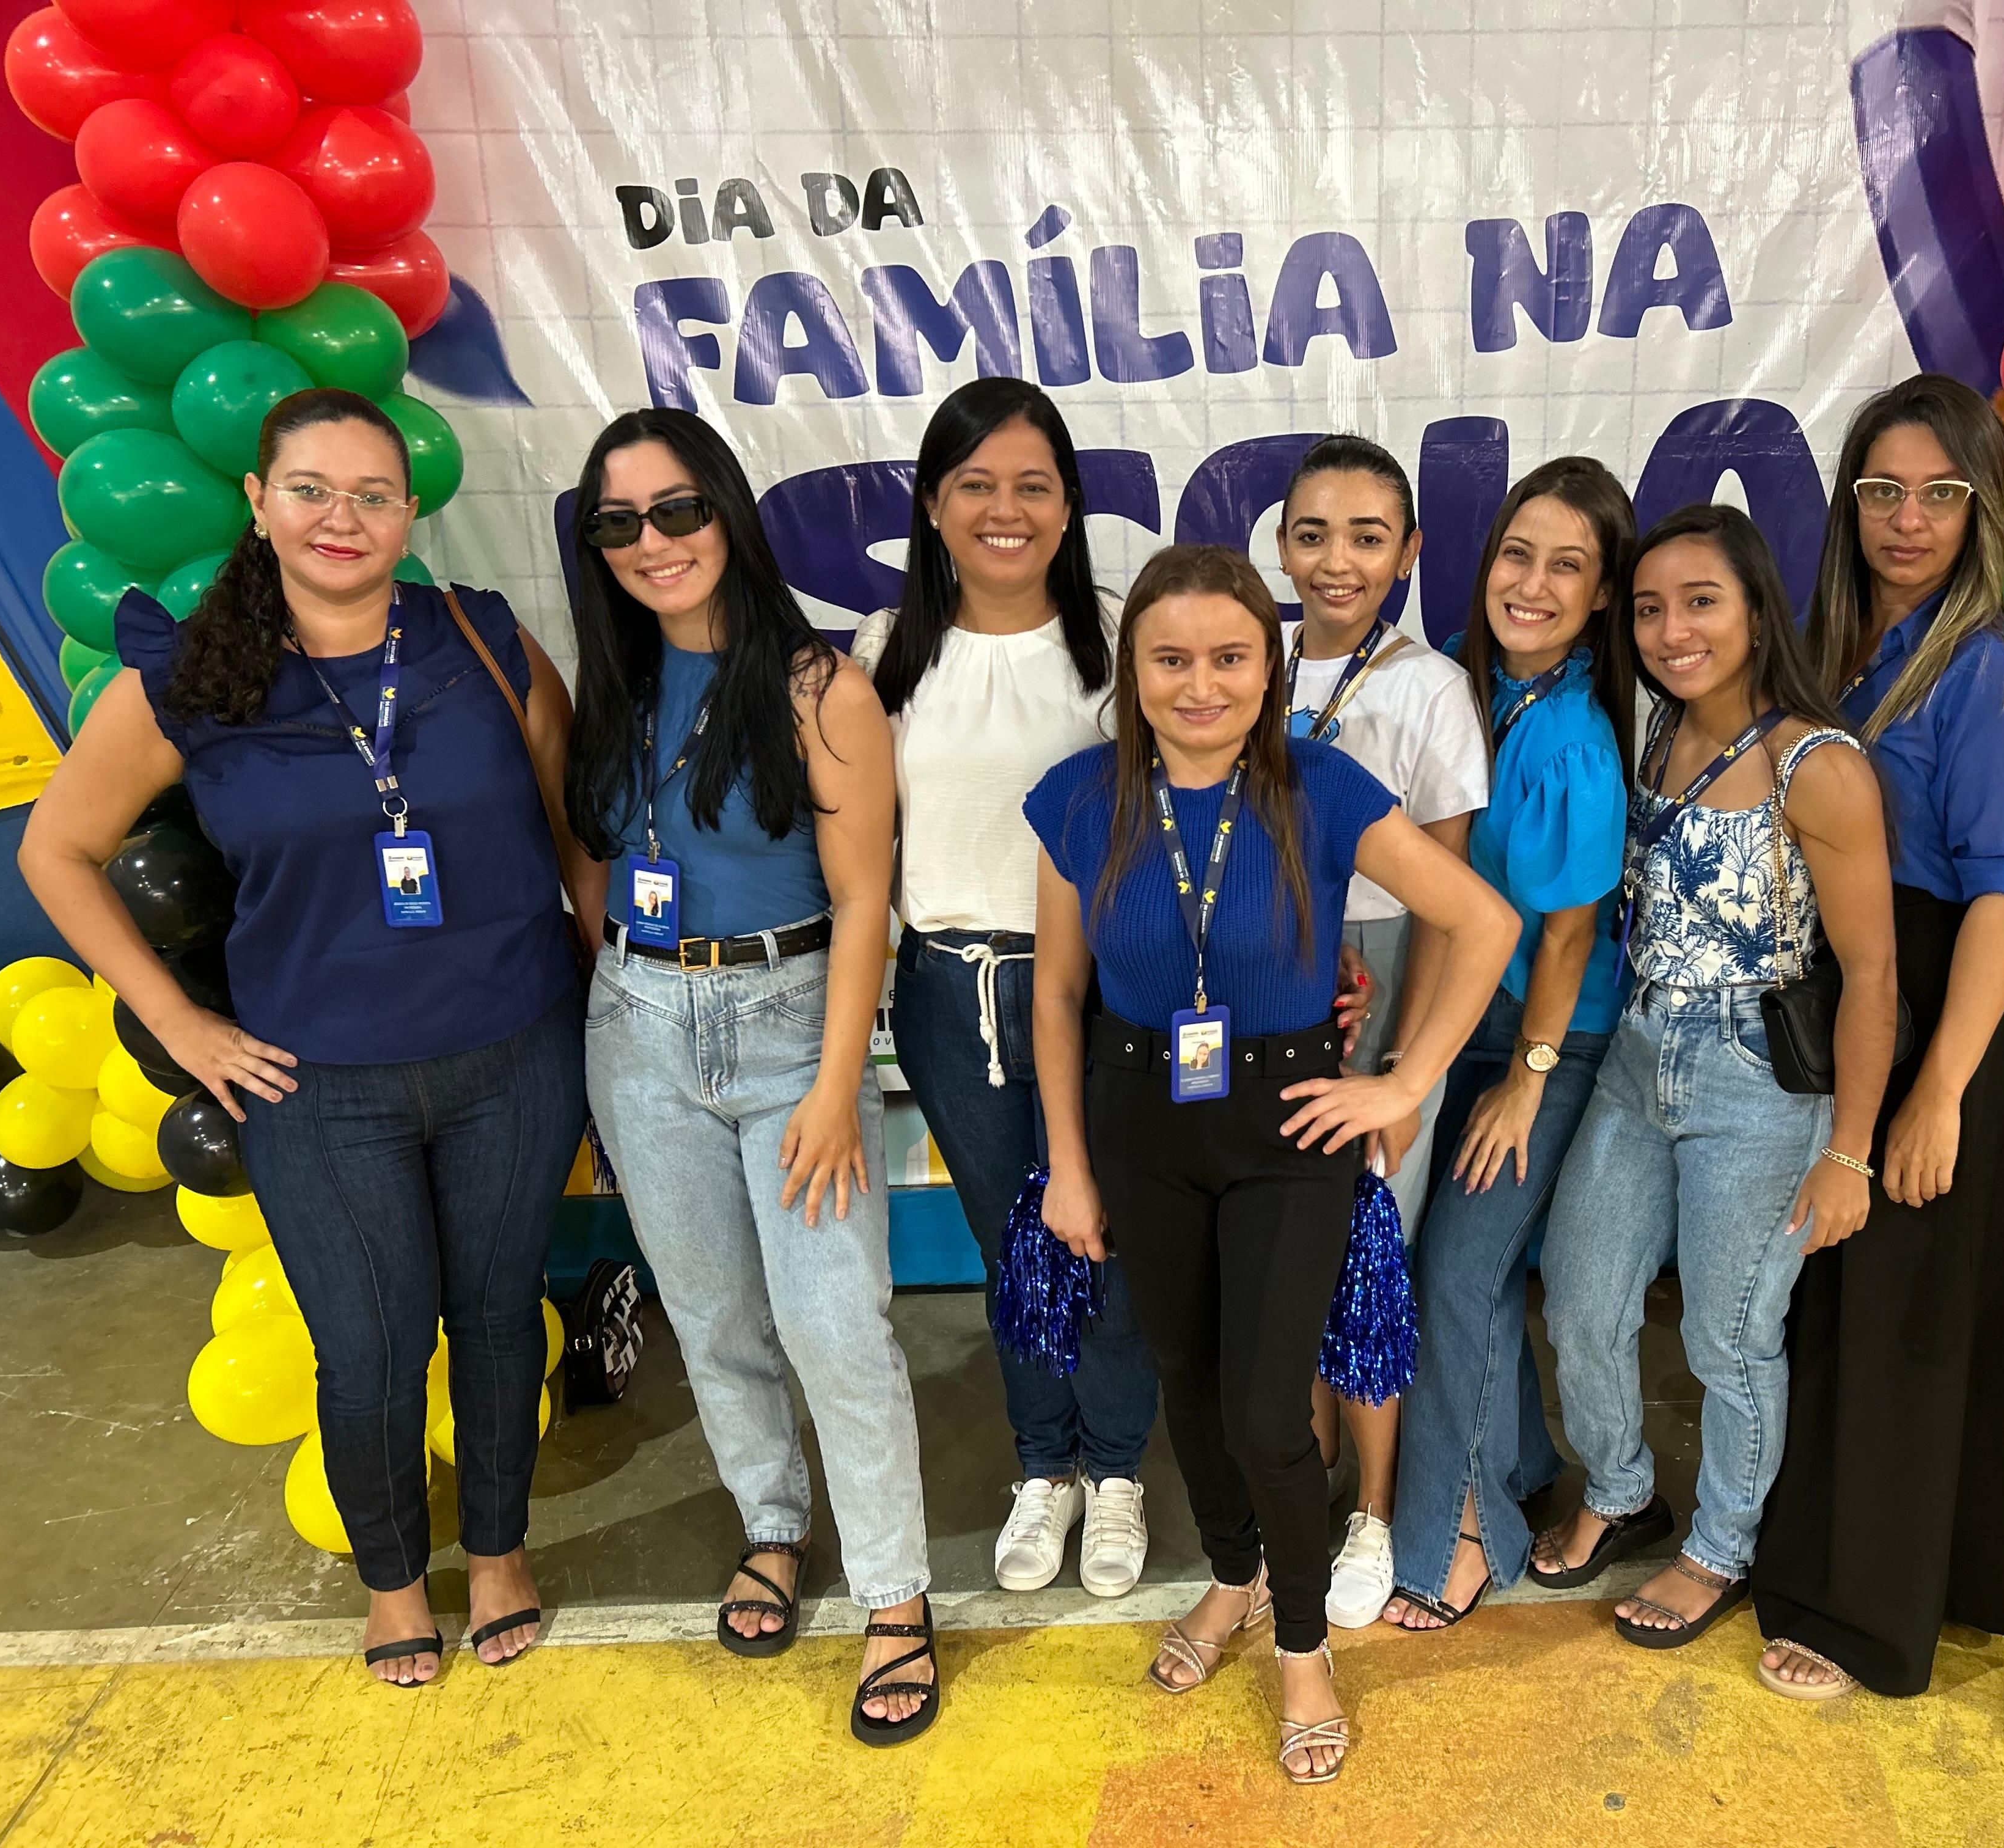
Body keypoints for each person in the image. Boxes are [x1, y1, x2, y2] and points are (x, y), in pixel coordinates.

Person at [20, 389, 587, 1687]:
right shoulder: (194, 675)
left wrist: (611, 981)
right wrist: (176, 1021)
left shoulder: (479, 641)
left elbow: (573, 827)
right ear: (259, 503)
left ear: (411, 514)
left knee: (499, 1316)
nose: (344, 517)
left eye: (373, 494)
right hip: (319, 1085)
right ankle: (395, 1583)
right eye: (314, 490)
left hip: (515, 1049)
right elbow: (60, 849)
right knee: (372, 1344)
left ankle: (498, 1553)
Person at [1027, 544, 1516, 1784]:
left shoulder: (1326, 790)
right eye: (1172, 659)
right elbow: (1055, 995)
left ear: (1270, 664)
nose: (1201, 685)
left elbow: (1484, 922)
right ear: (1132, 672)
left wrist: (1405, 1080)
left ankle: (1303, 1646)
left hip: (1288, 1126)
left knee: (1266, 1409)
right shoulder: (1080, 798)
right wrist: (1070, 1170)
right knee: (1189, 1390)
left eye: (1230, 658)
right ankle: (1233, 1578)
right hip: (1141, 1115)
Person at [565, 408, 938, 1745]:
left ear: (727, 513)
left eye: (677, 511)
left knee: (835, 1324)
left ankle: (894, 1593)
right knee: (713, 1316)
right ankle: (774, 1522)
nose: (653, 543)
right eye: (619, 523)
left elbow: (863, 905)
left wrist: (839, 1088)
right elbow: (593, 866)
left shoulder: (819, 687)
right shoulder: (603, 683)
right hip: (642, 1022)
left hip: (791, 1028)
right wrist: (622, 997)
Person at [1749, 373, 2004, 1698]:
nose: (1909, 520)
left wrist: (1941, 1090)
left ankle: (1872, 1618)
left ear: (1982, 507)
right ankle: (1859, 1566)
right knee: (1842, 1303)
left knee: (1907, 1318)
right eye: (1884, 491)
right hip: (1841, 992)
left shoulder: (1986, 673)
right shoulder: (1835, 642)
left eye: (1942, 494)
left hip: (1944, 1006)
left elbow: (2003, 894)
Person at [1535, 505, 1895, 1645]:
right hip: (1641, 1059)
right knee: (1583, 1299)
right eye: (1649, 607)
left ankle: (1722, 1547)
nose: (1673, 630)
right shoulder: (1659, 732)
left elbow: (1874, 974)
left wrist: (1850, 1150)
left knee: (1730, 1337)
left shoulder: (1816, 764)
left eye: (1701, 602)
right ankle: (1622, 1487)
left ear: (1755, 612)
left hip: (1760, 1084)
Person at [851, 378, 1162, 1602]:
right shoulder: (883, 656)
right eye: (975, 483)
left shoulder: (1116, 635)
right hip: (946, 988)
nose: (1005, 508)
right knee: (1013, 1239)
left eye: (1033, 484)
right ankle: (1047, 1465)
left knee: (1104, 1233)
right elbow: (865, 850)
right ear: (934, 506)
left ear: (1069, 503)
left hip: (1097, 990)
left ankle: (1121, 1466)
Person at [1379, 456, 1642, 1632]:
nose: (1532, 584)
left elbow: (1575, 935)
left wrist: (1529, 1086)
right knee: (1441, 1253)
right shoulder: (1475, 693)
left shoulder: (1574, 735)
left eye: (1568, 567)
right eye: (1518, 556)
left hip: (1548, 1044)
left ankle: (1463, 1526)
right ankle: (1520, 1463)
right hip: (1464, 1024)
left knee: (1458, 1273)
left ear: (1600, 597)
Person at [1271, 435, 1490, 1629]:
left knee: (1363, 1261)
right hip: (1269, 986)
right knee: (1277, 1258)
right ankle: (1297, 1495)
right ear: (1281, 544)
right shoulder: (1250, 664)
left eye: (1367, 536)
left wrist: (1408, 1077)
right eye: (1313, 533)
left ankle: (1374, 1514)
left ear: (1408, 553)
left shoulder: (1428, 688)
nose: (1337, 560)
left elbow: (1452, 909)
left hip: (1390, 978)